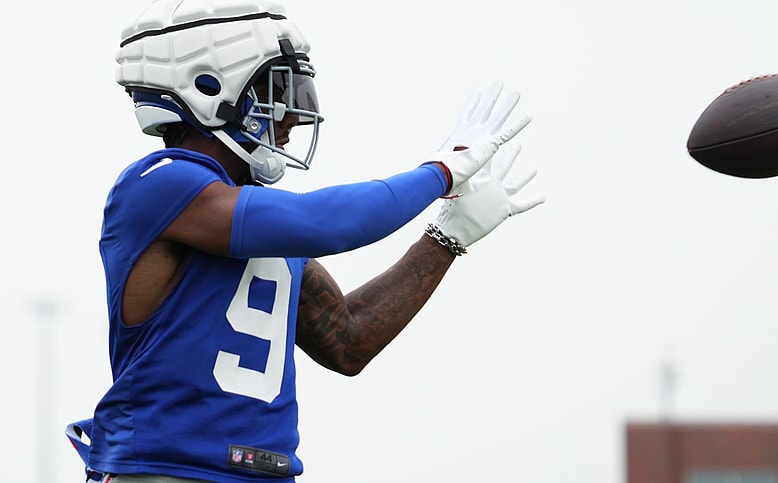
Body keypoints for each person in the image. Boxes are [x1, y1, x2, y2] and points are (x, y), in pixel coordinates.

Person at [65, 0, 543, 482]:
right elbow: (327, 223)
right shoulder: (161, 183)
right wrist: (438, 172)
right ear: (208, 88)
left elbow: (349, 340)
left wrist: (446, 238)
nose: (293, 116)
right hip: (167, 470)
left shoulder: (255, 219)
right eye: (277, 89)